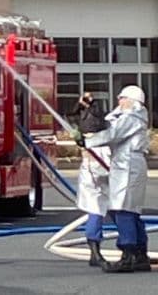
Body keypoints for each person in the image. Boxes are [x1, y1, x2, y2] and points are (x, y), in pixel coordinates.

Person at [76, 85, 151, 273]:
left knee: (122, 209)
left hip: (128, 166)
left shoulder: (132, 118)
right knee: (131, 211)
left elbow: (113, 133)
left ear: (133, 100)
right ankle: (140, 254)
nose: (119, 101)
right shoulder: (129, 116)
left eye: (123, 98)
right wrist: (90, 110)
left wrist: (87, 141)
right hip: (126, 165)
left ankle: (128, 255)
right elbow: (107, 123)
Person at [70, 92, 110, 266]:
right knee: (102, 209)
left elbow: (72, 119)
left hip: (93, 176)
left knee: (100, 209)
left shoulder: (94, 144)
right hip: (99, 178)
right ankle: (131, 248)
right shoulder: (106, 140)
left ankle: (96, 250)